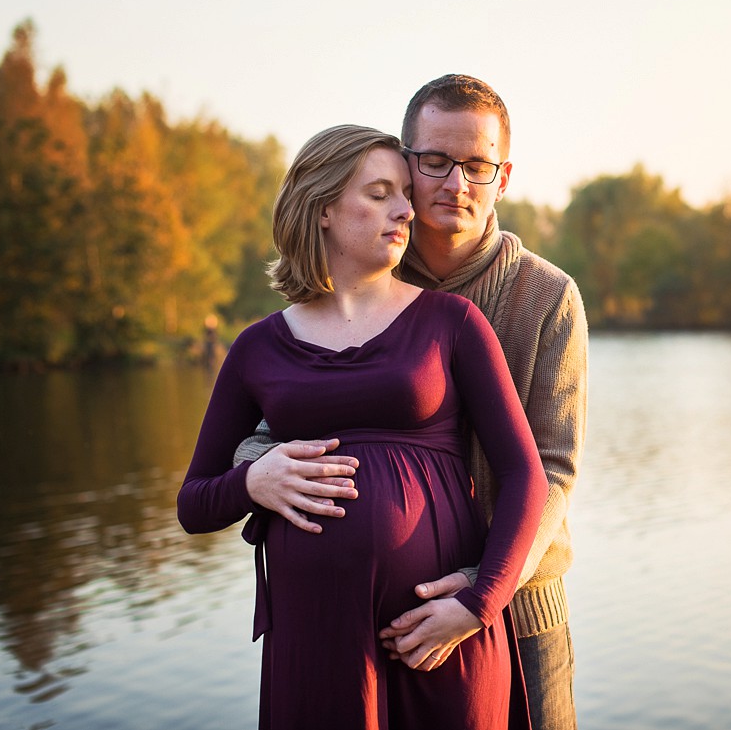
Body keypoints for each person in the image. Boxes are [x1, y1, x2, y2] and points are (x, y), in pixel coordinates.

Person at [239, 75, 588, 730]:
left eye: (477, 165)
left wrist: (485, 591)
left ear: (503, 177)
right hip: (371, 617)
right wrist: (261, 472)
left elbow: (554, 471)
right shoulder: (361, 280)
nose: (456, 183)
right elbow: (266, 424)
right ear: (407, 163)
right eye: (435, 161)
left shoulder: (549, 298)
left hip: (518, 607)